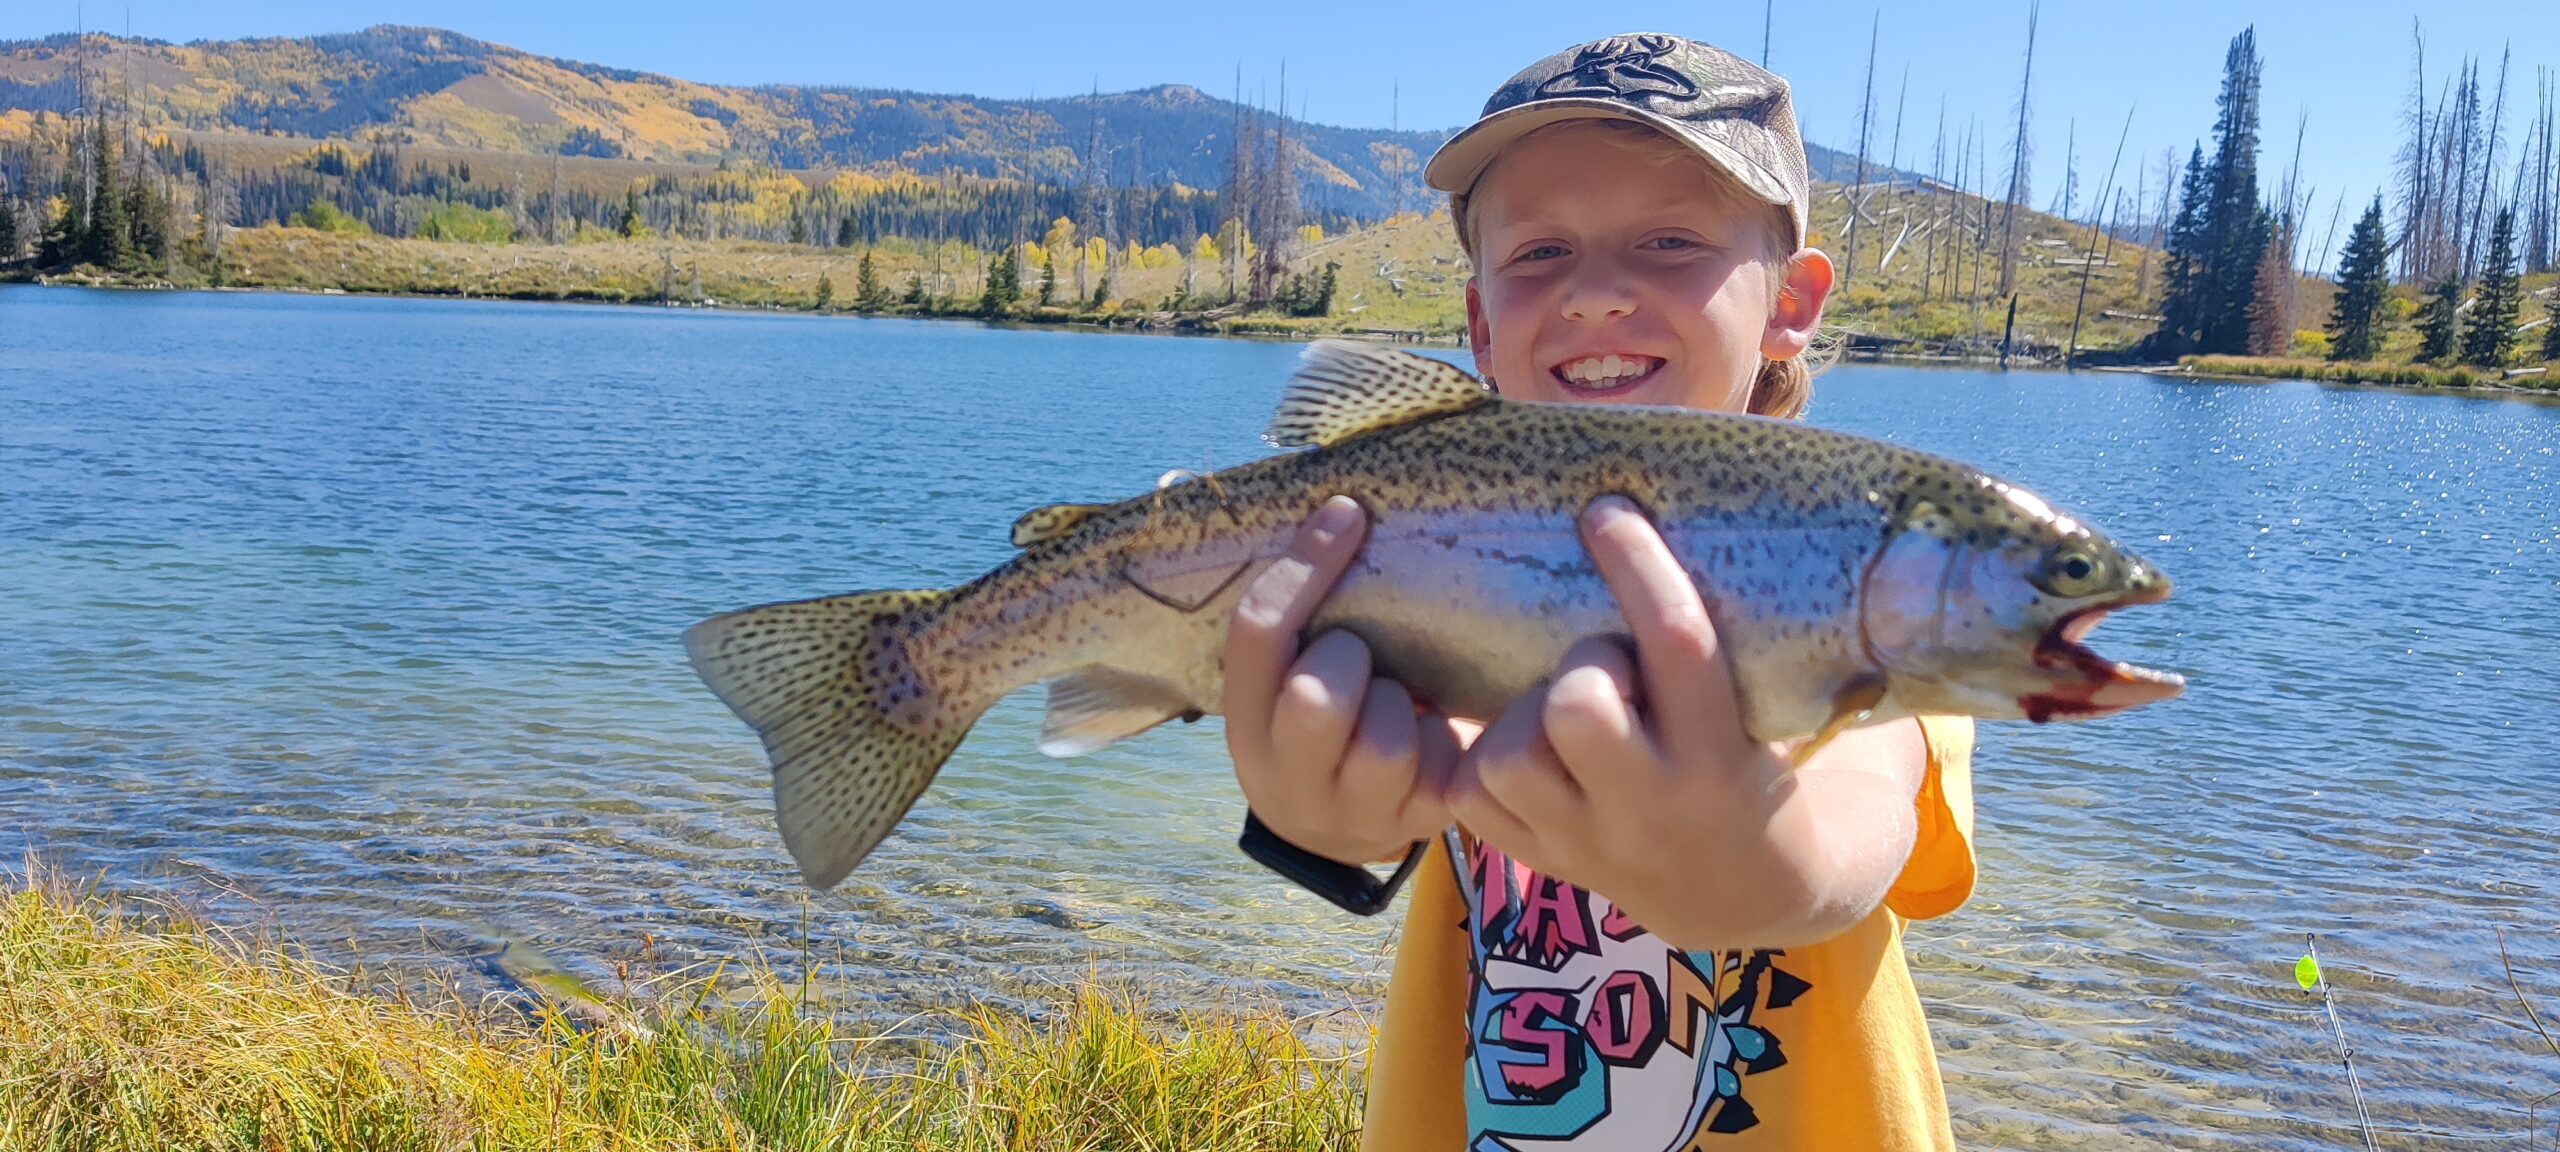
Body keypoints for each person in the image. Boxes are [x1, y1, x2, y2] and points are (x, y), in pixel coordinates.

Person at [1221, 33, 1977, 1150]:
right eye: (1540, 253)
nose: (1594, 295)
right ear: (1481, 325)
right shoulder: (1438, 560)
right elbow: (1381, 809)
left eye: (1670, 242)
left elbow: (1848, 837)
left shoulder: (1861, 577)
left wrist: (1756, 867)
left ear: (1791, 301)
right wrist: (1313, 822)